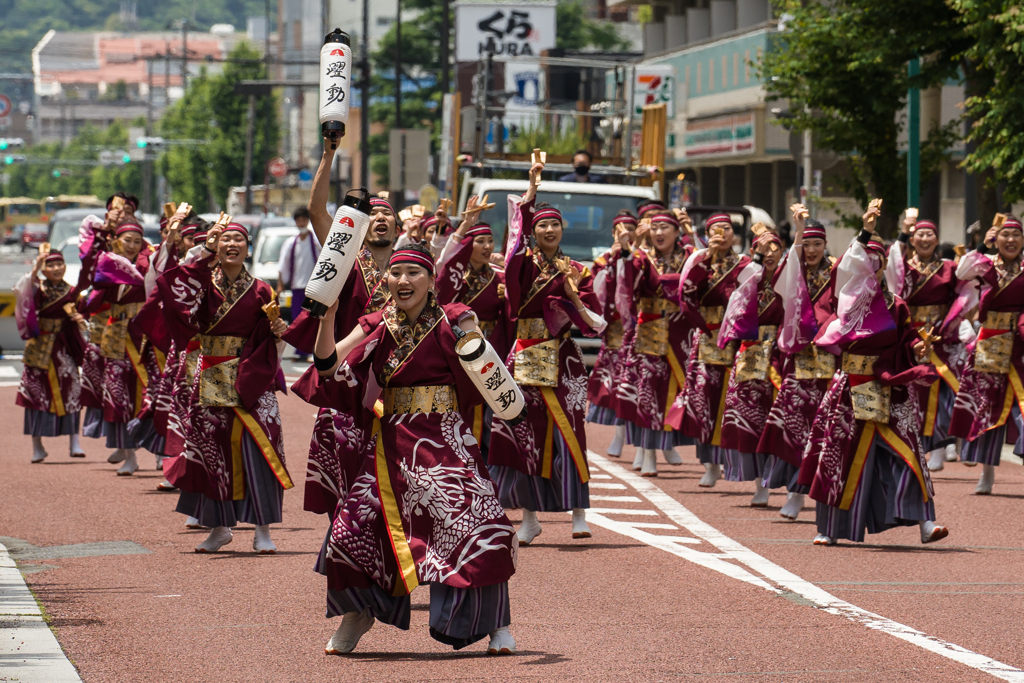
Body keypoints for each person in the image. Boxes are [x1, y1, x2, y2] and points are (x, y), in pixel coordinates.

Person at [297, 243, 518, 656]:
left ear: (432, 281)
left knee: (478, 527)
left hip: (446, 441)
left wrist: (471, 339)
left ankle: (498, 626)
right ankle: (358, 613)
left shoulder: (456, 317)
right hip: (391, 443)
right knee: (352, 529)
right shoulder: (376, 323)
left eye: (414, 273)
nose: (403, 281)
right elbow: (327, 365)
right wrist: (326, 316)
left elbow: (487, 370)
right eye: (396, 274)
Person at [798, 204, 948, 546]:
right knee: (838, 455)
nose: (871, 266)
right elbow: (844, 265)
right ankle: (828, 529)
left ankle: (927, 523)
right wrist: (865, 233)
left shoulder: (897, 304)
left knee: (908, 451)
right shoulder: (845, 300)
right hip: (849, 387)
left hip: (889, 387)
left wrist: (917, 349)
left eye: (877, 260)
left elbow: (907, 337)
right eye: (866, 259)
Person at [488, 157, 607, 544]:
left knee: (569, 430)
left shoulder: (577, 270)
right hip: (525, 353)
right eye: (543, 224)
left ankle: (578, 513)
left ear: (562, 229)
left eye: (555, 223)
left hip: (564, 358)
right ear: (534, 231)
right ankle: (530, 517)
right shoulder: (520, 265)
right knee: (522, 432)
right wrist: (531, 193)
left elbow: (594, 322)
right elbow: (515, 242)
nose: (549, 229)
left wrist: (573, 295)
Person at [158, 223, 292, 553]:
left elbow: (272, 343)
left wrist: (279, 333)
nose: (232, 244)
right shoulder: (202, 285)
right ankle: (219, 527)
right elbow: (174, 299)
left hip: (253, 375)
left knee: (260, 451)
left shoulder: (262, 290)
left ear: (249, 248)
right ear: (215, 247)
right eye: (224, 239)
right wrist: (201, 254)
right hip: (212, 372)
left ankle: (263, 530)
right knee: (211, 453)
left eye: (239, 239)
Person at [284, 141, 396, 519]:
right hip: (348, 375)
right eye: (374, 214)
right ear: (363, 225)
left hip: (397, 378)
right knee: (345, 468)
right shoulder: (346, 256)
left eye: (387, 215)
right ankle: (343, 542)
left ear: (398, 227)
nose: (380, 219)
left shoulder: (410, 270)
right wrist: (328, 156)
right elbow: (317, 210)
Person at [666, 214, 758, 487]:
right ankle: (710, 464)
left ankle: (741, 465)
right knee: (704, 400)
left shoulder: (745, 264)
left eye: (727, 229)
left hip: (739, 338)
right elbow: (686, 296)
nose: (722, 233)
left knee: (738, 401)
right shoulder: (697, 261)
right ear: (706, 234)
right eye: (715, 229)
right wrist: (707, 261)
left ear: (735, 234)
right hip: (707, 336)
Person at [758, 210, 836, 520]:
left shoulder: (837, 272)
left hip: (831, 360)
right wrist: (798, 231)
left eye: (817, 243)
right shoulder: (794, 270)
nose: (812, 250)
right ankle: (793, 493)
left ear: (826, 245)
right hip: (799, 362)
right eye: (806, 243)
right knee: (793, 426)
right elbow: (780, 287)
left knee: (827, 429)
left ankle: (821, 493)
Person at [80, 218, 162, 475]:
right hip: (116, 333)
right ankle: (129, 456)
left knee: (155, 392)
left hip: (144, 333)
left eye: (137, 241)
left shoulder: (149, 263)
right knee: (119, 395)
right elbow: (94, 297)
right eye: (127, 240)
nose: (132, 245)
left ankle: (161, 453)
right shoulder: (106, 263)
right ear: (117, 240)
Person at [948, 215, 1024, 494]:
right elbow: (962, 272)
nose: (1011, 241)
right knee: (987, 408)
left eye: (1016, 235)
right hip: (989, 344)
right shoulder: (986, 263)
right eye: (1005, 235)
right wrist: (981, 245)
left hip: (1020, 344)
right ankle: (987, 472)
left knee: (1022, 406)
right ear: (997, 238)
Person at [885, 214, 967, 472]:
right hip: (912, 340)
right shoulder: (903, 269)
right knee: (915, 395)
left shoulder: (949, 268)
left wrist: (951, 322)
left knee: (949, 394)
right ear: (912, 238)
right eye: (919, 234)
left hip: (943, 338)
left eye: (929, 234)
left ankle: (944, 445)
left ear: (937, 239)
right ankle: (920, 447)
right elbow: (892, 274)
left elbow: (963, 295)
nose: (924, 238)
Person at [617, 210, 695, 476]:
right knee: (648, 395)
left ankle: (675, 447)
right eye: (655, 228)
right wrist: (632, 249)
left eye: (665, 228)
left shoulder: (689, 256)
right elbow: (629, 286)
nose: (659, 233)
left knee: (682, 395)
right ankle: (647, 452)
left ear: (677, 232)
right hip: (650, 333)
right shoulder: (641, 257)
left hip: (680, 334)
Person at [435, 196, 510, 458]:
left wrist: (507, 295)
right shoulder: (456, 276)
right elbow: (442, 268)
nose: (488, 246)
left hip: (491, 349)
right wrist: (464, 226)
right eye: (480, 241)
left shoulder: (499, 277)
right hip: (458, 350)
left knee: (490, 410)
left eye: (490, 240)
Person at [717, 224, 786, 504]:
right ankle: (760, 483)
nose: (768, 253)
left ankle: (785, 481)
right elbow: (736, 300)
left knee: (780, 418)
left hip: (781, 353)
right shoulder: (748, 277)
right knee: (749, 418)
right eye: (761, 246)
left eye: (774, 247)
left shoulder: (790, 277)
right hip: (750, 353)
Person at [15, 250, 87, 462]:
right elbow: (23, 294)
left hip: (64, 348)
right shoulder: (37, 288)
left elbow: (85, 312)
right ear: (44, 269)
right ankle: (37, 446)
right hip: (39, 350)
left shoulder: (72, 291)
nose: (56, 269)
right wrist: (34, 270)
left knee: (72, 393)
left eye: (60, 264)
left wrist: (79, 317)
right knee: (36, 395)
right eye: (51, 265)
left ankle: (75, 441)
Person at [585, 212, 637, 458]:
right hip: (616, 333)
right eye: (620, 229)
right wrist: (611, 263)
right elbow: (597, 294)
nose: (625, 232)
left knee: (642, 387)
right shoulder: (602, 260)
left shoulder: (642, 258)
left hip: (641, 331)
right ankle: (619, 435)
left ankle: (652, 447)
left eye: (630, 228)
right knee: (618, 386)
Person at [277, 206, 322, 323]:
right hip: (297, 288)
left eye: (304, 220)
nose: (301, 223)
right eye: (299, 220)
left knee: (313, 320)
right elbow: (282, 265)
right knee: (297, 320)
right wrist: (280, 285)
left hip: (314, 289)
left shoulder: (316, 242)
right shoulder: (290, 243)